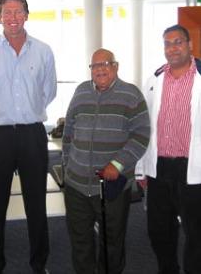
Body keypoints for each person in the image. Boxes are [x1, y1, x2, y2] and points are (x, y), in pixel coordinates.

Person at [0, 0, 57, 274]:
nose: (13, 17)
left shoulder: (43, 51)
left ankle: (39, 263)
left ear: (27, 15)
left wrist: (27, 112)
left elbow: (48, 91)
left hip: (32, 134)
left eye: (18, 12)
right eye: (7, 12)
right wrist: (0, 116)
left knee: (36, 203)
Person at [62, 48, 150, 274]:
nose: (100, 69)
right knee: (80, 241)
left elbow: (141, 135)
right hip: (77, 186)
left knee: (112, 242)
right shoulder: (81, 91)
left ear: (116, 66)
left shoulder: (131, 95)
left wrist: (118, 164)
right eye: (94, 66)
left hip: (112, 185)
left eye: (105, 64)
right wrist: (67, 168)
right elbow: (68, 132)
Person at [135, 24, 201, 274]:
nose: (172, 48)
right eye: (167, 43)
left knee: (196, 231)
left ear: (190, 45)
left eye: (178, 42)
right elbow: (144, 127)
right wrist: (141, 168)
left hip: (193, 168)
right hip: (160, 167)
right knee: (159, 229)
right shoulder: (154, 79)